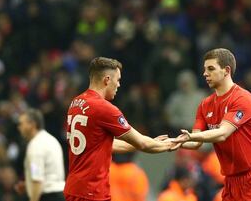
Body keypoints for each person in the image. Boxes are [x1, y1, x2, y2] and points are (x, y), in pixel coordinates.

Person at [64, 57, 174, 201]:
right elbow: (143, 143)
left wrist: (145, 142)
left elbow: (102, 144)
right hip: (92, 192)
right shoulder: (104, 108)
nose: (119, 85)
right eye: (118, 80)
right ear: (107, 79)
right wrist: (171, 144)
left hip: (74, 188)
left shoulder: (76, 103)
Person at [173, 48, 251, 201]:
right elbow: (195, 142)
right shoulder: (204, 105)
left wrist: (190, 136)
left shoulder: (243, 98)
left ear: (226, 70)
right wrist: (172, 142)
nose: (205, 74)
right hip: (230, 181)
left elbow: (222, 133)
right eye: (205, 69)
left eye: (211, 69)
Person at [15, 108, 65, 201]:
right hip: (59, 194)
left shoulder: (35, 146)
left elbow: (37, 179)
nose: (19, 127)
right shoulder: (51, 140)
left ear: (32, 125)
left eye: (21, 124)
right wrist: (28, 184)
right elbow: (49, 174)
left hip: (48, 196)